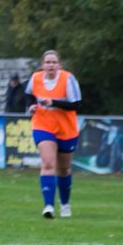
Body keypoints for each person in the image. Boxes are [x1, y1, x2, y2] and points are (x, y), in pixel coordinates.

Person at [27, 49, 83, 219]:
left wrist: (54, 103)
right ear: (42, 65)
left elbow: (76, 105)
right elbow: (28, 95)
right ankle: (48, 206)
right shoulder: (35, 78)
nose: (50, 65)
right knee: (48, 164)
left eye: (53, 62)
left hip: (66, 128)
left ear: (59, 65)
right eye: (47, 62)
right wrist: (30, 107)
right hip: (43, 125)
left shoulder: (68, 78)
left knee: (64, 169)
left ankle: (65, 204)